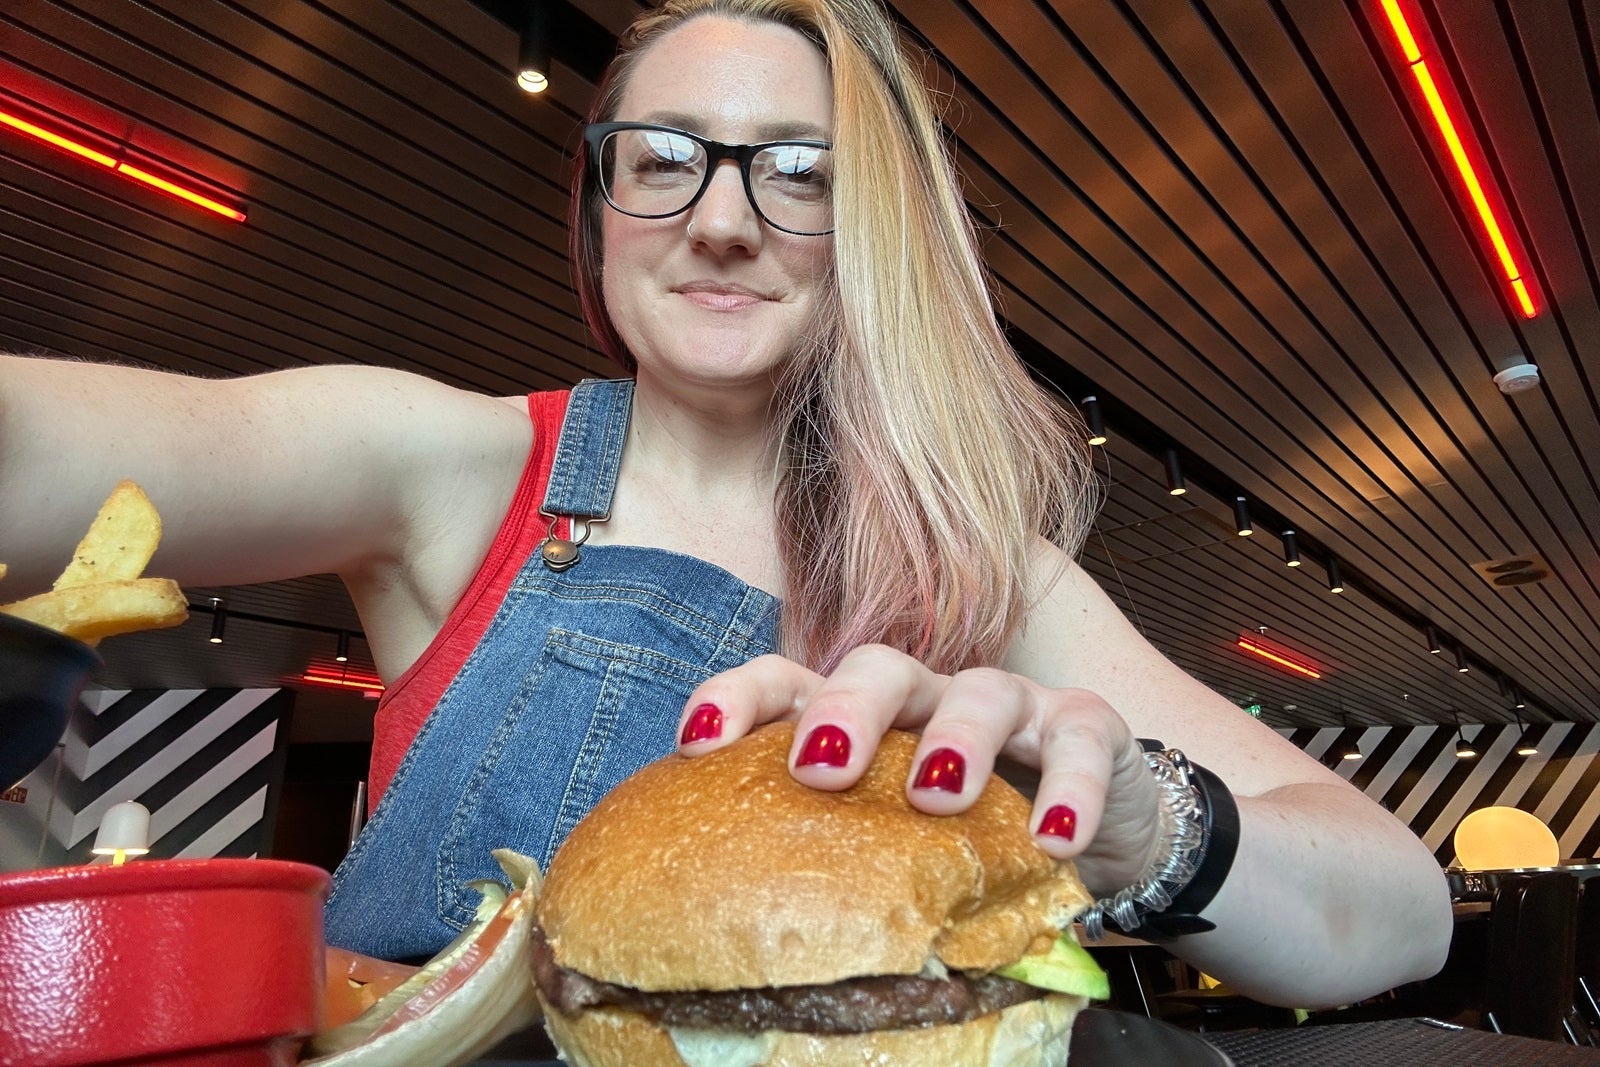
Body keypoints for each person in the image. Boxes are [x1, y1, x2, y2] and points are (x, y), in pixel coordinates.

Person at [0, 0, 1448, 1006]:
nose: (721, 218)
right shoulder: (452, 467)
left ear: (872, 227)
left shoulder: (972, 577)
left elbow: (1396, 911)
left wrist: (1148, 834)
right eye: (665, 158)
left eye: (801, 175)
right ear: (602, 204)